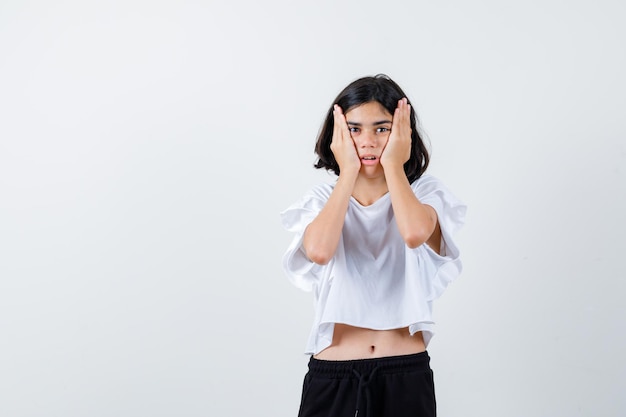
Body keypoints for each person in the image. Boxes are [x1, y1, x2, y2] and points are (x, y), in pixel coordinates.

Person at [280, 74, 467, 417]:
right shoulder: (322, 200)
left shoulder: (427, 195)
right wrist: (347, 171)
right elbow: (319, 251)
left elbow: (413, 234)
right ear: (336, 134)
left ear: (402, 133)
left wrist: (393, 164)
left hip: (404, 374)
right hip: (333, 376)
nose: (367, 141)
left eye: (381, 129)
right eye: (354, 129)